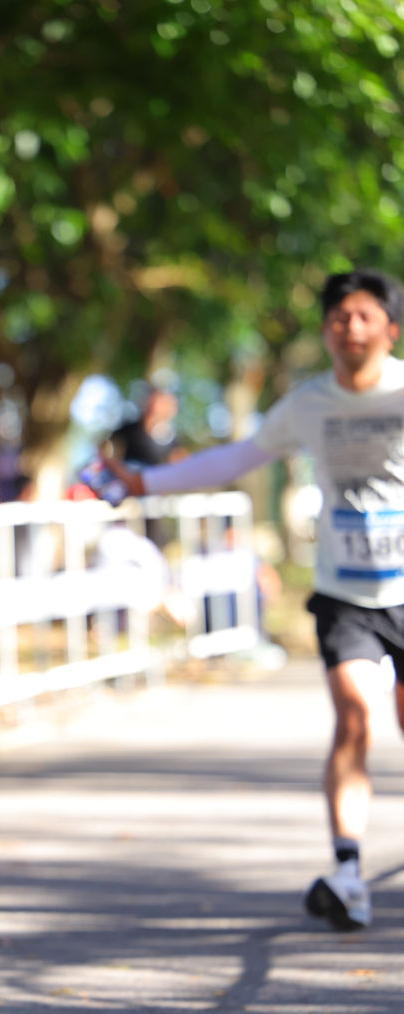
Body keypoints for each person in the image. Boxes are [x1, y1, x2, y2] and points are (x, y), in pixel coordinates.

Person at [105, 268, 404, 933]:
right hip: (346, 594)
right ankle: (348, 872)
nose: (350, 327)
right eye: (339, 317)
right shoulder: (308, 403)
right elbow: (235, 459)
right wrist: (146, 482)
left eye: (364, 316)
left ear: (390, 328)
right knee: (354, 717)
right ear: (325, 331)